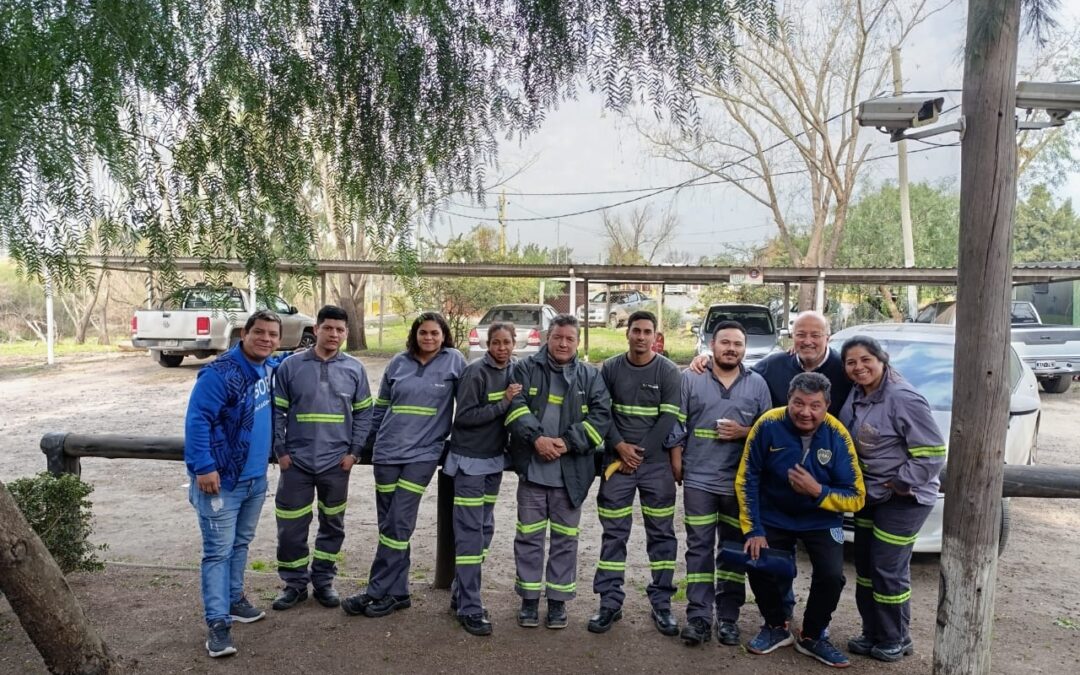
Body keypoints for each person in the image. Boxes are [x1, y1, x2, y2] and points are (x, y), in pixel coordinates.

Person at [736, 372, 865, 668]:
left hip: (820, 518)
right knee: (758, 561)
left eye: (815, 405)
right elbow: (747, 479)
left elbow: (856, 496)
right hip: (774, 515)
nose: (805, 412)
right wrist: (754, 529)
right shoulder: (767, 424)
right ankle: (776, 626)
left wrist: (817, 491)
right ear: (788, 400)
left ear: (827, 405)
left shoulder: (838, 435)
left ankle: (813, 635)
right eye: (798, 403)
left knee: (832, 575)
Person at [340, 312, 465, 618]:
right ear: (415, 334)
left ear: (444, 335)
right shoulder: (398, 362)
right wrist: (365, 446)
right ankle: (398, 593)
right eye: (423, 333)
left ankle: (375, 590)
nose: (429, 338)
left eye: (435, 333)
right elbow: (381, 406)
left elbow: (466, 405)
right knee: (389, 527)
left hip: (423, 454)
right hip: (386, 452)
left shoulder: (454, 361)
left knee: (399, 522)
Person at [838, 336, 945, 663]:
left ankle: (896, 637)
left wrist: (899, 483)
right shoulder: (858, 393)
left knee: (887, 567)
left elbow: (932, 453)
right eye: (851, 362)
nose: (859, 367)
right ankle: (873, 632)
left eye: (865, 360)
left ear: (882, 359)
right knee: (867, 567)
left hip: (903, 498)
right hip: (869, 495)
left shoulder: (903, 397)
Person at [665, 321, 772, 647]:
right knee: (698, 550)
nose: (731, 348)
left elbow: (769, 432)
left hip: (739, 484)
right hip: (699, 480)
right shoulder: (691, 378)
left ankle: (728, 618)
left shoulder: (758, 385)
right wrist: (676, 460)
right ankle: (698, 617)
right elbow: (677, 421)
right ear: (712, 344)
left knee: (733, 551)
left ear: (744, 348)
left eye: (737, 344)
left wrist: (744, 432)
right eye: (725, 342)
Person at [184, 310, 283, 658]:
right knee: (217, 552)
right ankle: (217, 623)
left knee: (240, 544)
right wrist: (204, 467)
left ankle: (235, 598)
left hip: (254, 479)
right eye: (260, 333)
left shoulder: (270, 367)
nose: (266, 339)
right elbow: (198, 420)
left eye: (273, 334)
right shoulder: (220, 373)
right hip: (220, 481)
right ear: (245, 333)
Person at [505, 313, 611, 629]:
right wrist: (536, 439)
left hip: (571, 475)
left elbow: (601, 418)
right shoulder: (525, 368)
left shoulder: (591, 377)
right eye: (557, 337)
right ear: (548, 338)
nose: (563, 343)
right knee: (529, 538)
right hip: (533, 472)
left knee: (566, 540)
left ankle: (557, 603)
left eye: (570, 338)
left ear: (577, 342)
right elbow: (515, 406)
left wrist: (565, 444)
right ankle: (528, 600)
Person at [270, 305, 372, 611]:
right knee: (290, 527)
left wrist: (354, 453)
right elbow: (278, 411)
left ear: (346, 333)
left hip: (336, 465)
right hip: (296, 464)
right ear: (316, 329)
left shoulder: (355, 369)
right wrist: (281, 452)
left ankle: (324, 581)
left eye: (340, 330)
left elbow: (365, 413)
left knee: (333, 525)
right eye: (328, 328)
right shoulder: (291, 366)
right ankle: (294, 584)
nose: (334, 334)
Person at [587, 311, 682, 637]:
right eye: (636, 331)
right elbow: (602, 411)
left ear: (656, 337)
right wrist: (619, 446)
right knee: (613, 534)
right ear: (626, 334)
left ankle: (663, 605)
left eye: (647, 332)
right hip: (617, 463)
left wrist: (637, 455)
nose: (641, 336)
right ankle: (609, 603)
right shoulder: (611, 368)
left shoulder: (669, 371)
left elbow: (668, 419)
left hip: (654, 466)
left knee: (662, 535)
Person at [444, 321, 522, 636]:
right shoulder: (476, 372)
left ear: (514, 343)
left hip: (494, 462)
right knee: (469, 534)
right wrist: (502, 402)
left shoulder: (517, 370)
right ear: (487, 344)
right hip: (469, 461)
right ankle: (470, 607)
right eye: (496, 342)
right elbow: (464, 417)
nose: (502, 348)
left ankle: (460, 591)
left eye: (507, 342)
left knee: (485, 529)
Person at [690, 311, 852, 417]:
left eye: (815, 335)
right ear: (792, 337)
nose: (807, 341)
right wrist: (708, 358)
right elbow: (739, 374)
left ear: (828, 338)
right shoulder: (773, 366)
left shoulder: (845, 371)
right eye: (801, 335)